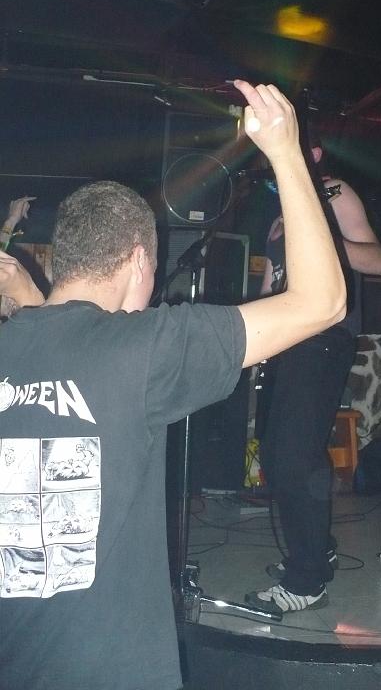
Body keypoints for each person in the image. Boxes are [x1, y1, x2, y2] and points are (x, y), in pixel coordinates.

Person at [0, 80, 347, 690]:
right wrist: (287, 152)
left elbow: (51, 360)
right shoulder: (144, 349)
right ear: (140, 261)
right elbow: (324, 302)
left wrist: (31, 306)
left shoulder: (15, 340)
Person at [245, 134, 381, 614]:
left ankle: (307, 581)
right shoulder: (279, 212)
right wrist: (253, 340)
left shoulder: (334, 193)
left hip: (323, 335)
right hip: (283, 338)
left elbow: (379, 260)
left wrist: (320, 235)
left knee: (294, 454)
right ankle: (318, 549)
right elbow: (270, 284)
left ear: (316, 155)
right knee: (278, 452)